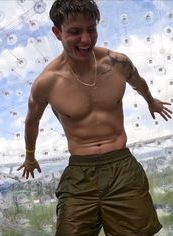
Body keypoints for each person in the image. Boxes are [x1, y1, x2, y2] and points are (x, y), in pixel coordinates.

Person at [17, 0, 172, 235]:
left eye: (91, 29)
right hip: (80, 174)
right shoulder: (47, 82)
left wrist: (151, 101)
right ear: (57, 33)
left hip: (122, 168)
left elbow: (138, 81)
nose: (86, 40)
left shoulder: (117, 63)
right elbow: (32, 120)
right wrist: (30, 156)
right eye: (75, 32)